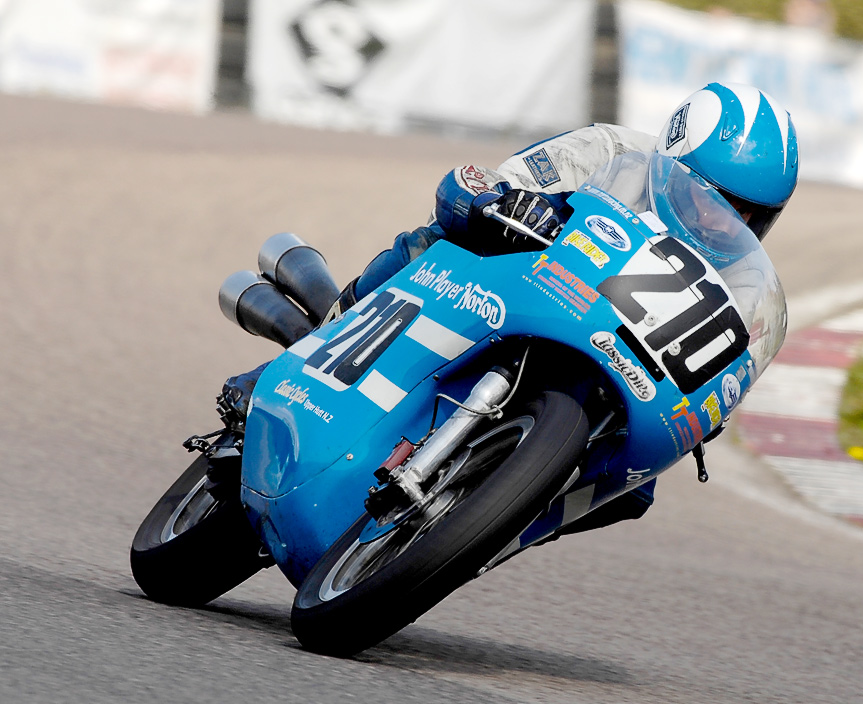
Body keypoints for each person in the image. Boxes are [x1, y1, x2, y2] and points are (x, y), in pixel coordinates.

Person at [222, 81, 799, 533]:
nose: (727, 222)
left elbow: (727, 377)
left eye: (750, 215)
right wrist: (504, 202)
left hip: (618, 366)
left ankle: (481, 527)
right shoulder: (610, 151)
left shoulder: (746, 282)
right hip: (521, 286)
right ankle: (302, 352)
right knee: (432, 242)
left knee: (633, 494)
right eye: (713, 199)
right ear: (673, 157)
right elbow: (478, 184)